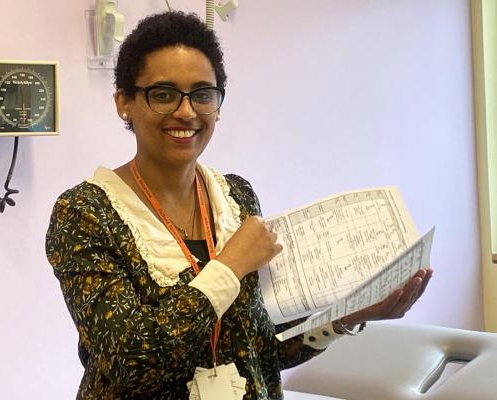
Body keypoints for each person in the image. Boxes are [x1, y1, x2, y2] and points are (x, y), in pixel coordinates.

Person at [46, 11, 432, 400]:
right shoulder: (84, 212)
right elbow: (134, 361)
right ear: (124, 102)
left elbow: (262, 347)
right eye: (163, 94)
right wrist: (230, 266)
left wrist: (348, 316)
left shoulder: (235, 197)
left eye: (203, 94)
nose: (186, 111)